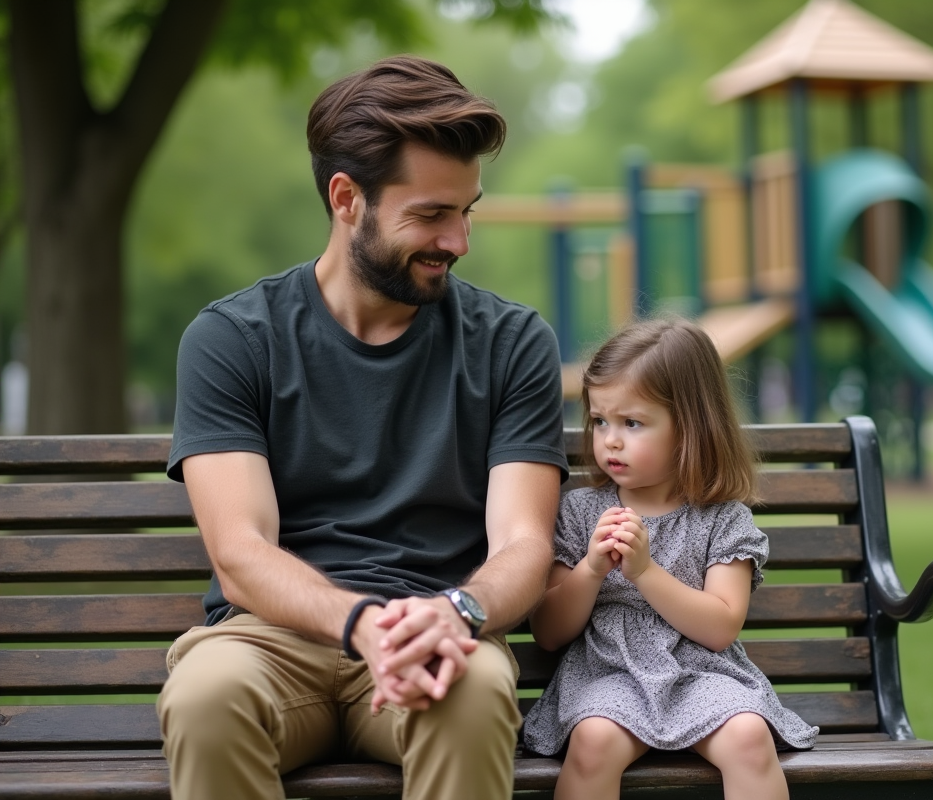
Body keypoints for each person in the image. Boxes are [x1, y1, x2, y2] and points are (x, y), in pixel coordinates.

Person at [156, 55, 568, 800]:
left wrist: (457, 611)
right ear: (347, 199)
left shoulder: (512, 343)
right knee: (204, 696)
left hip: (440, 629)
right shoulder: (233, 339)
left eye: (466, 210)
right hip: (270, 642)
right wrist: (360, 625)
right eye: (432, 214)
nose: (459, 241)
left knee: (472, 696)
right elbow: (242, 551)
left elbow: (524, 545)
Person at [523, 318, 818, 800]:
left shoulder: (723, 519)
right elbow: (550, 631)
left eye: (632, 423)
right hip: (607, 674)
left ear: (690, 429)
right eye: (600, 421)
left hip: (702, 674)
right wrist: (592, 569)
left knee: (747, 736)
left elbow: (721, 627)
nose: (610, 440)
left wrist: (644, 572)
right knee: (594, 741)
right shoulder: (580, 512)